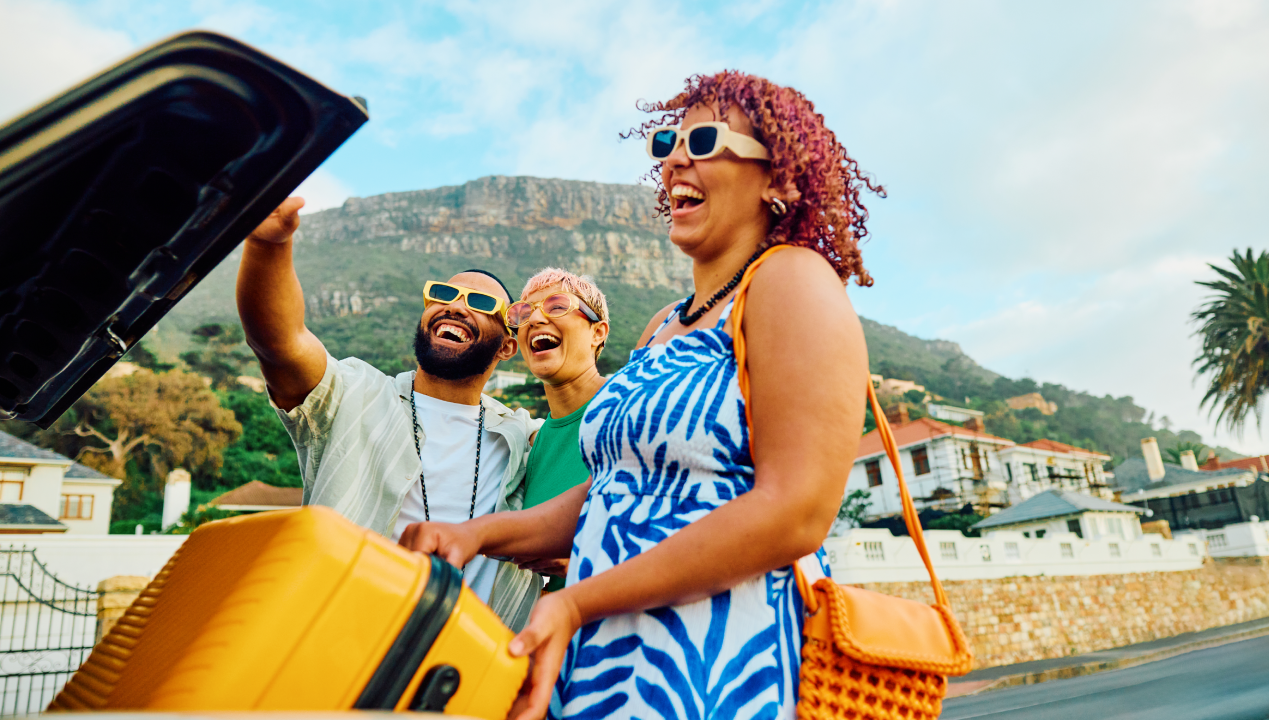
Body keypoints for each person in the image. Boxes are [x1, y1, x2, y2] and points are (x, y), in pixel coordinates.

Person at [399, 70, 876, 720]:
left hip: (717, 663)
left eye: (705, 140)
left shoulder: (791, 280)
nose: (676, 157)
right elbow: (614, 493)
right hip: (610, 661)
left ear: (779, 178)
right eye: (668, 143)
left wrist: (576, 602)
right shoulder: (663, 325)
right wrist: (475, 535)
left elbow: (796, 512)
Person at [236, 197, 543, 630]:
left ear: (508, 347)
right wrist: (269, 244)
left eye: (477, 301)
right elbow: (279, 342)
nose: (455, 306)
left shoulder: (524, 437)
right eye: (442, 294)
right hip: (336, 646)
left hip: (470, 673)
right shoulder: (353, 393)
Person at [501, 268, 610, 591]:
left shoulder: (633, 406)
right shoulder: (535, 444)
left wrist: (586, 563)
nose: (535, 320)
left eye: (557, 306)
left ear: (597, 333)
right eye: (523, 313)